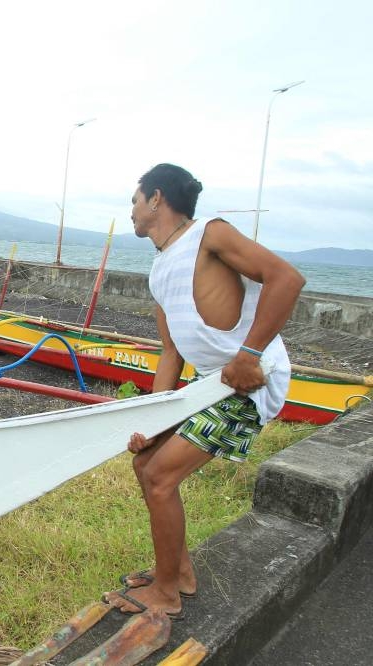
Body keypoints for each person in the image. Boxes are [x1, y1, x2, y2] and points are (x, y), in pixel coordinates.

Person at [103, 163, 305, 620]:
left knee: (160, 478)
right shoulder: (159, 268)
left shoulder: (209, 234)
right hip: (211, 383)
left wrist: (249, 354)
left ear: (157, 199)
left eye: (135, 201)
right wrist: (156, 422)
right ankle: (178, 573)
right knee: (145, 462)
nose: (132, 211)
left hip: (249, 379)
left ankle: (167, 594)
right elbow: (171, 352)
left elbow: (287, 279)